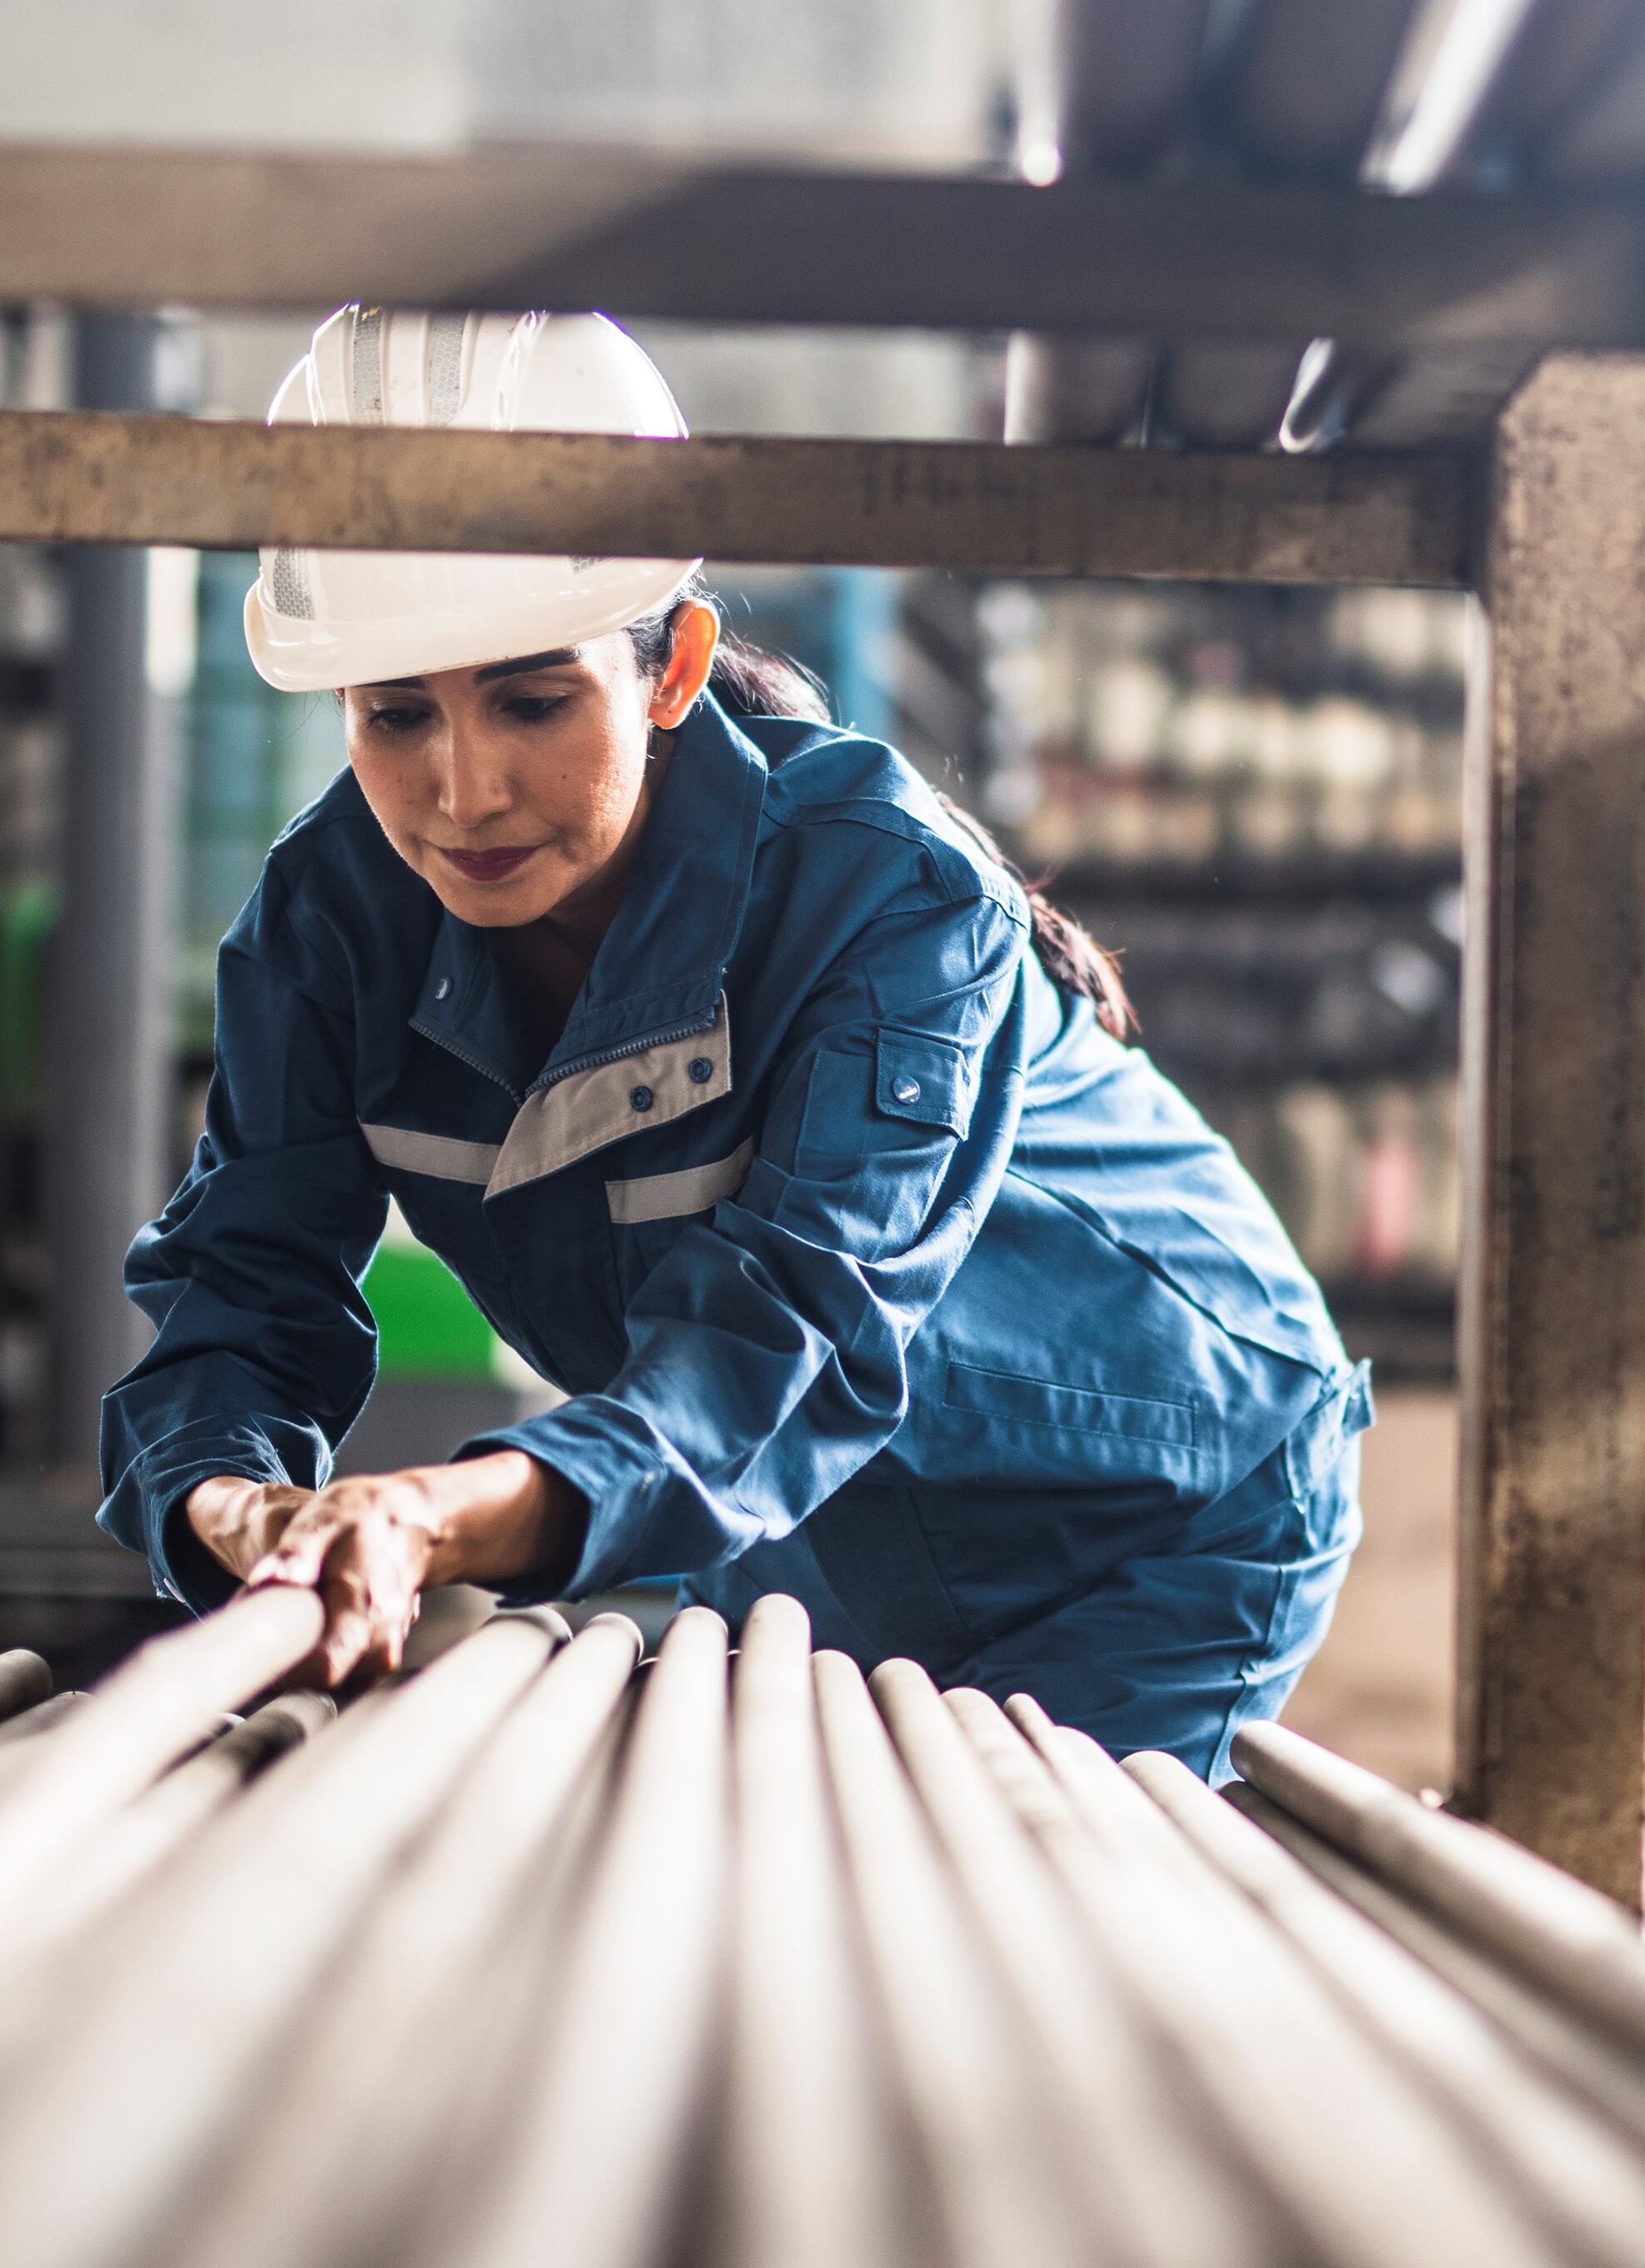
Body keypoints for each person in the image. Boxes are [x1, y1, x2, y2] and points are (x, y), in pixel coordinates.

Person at [98, 306, 1366, 1776]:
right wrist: (240, 1506)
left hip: (1162, 1507)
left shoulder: (884, 896)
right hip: (805, 1526)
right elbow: (243, 1293)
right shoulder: (328, 929)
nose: (464, 791)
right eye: (395, 716)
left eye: (532, 701)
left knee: (990, 1895)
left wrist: (435, 1516)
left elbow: (789, 1334)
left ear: (674, 665)